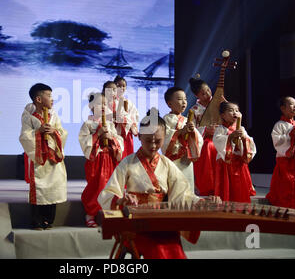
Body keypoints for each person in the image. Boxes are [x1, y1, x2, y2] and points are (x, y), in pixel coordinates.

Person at [98, 108, 221, 259]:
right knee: (158, 249)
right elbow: (109, 192)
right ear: (140, 137)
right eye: (149, 141)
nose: (154, 146)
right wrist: (121, 200)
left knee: (173, 246)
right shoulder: (128, 162)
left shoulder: (167, 164)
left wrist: (202, 202)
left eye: (158, 141)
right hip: (136, 226)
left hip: (162, 223)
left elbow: (182, 194)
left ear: (165, 138)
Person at [19, 83, 67, 230]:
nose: (52, 99)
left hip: (53, 158)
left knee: (53, 187)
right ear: (38, 99)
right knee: (40, 188)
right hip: (39, 158)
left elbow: (62, 132)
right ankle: (37, 220)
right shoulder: (29, 118)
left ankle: (49, 219)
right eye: (49, 95)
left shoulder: (54, 116)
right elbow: (24, 137)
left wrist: (55, 132)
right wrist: (38, 131)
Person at [79, 92, 124, 227]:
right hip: (96, 159)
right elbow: (84, 141)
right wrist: (97, 135)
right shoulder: (88, 124)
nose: (103, 106)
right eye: (99, 103)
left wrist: (112, 139)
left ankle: (109, 213)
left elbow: (119, 140)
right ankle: (90, 214)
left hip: (109, 158)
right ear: (91, 106)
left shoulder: (110, 124)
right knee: (95, 187)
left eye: (105, 103)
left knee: (110, 186)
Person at [266, 97, 295, 210]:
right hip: (285, 163)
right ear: (283, 108)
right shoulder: (279, 125)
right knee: (284, 189)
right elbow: (277, 141)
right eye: (291, 104)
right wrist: (290, 135)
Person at [213, 102, 256, 203]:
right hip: (226, 164)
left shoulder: (242, 129)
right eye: (231, 110)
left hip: (239, 164)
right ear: (223, 115)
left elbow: (250, 143)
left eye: (237, 110)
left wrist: (244, 138)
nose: (235, 113)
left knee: (240, 189)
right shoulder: (220, 129)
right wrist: (230, 137)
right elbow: (217, 141)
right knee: (226, 189)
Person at [162, 87, 203, 192]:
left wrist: (193, 132)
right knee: (174, 187)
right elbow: (164, 137)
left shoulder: (186, 120)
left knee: (187, 187)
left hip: (186, 159)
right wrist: (180, 132)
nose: (184, 102)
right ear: (169, 103)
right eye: (180, 99)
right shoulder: (166, 119)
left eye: (185, 99)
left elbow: (199, 139)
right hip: (173, 159)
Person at [188, 76, 222, 196]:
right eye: (203, 93)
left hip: (221, 136)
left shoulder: (219, 103)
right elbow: (192, 130)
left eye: (208, 90)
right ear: (197, 96)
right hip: (204, 140)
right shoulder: (195, 110)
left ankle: (224, 185)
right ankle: (209, 186)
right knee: (208, 146)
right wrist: (206, 130)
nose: (207, 94)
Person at [113, 75, 139, 158]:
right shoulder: (110, 101)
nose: (121, 88)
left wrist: (127, 120)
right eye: (118, 85)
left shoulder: (129, 103)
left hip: (126, 132)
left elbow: (135, 116)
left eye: (123, 86)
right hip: (116, 132)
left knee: (127, 157)